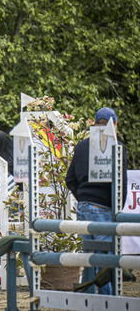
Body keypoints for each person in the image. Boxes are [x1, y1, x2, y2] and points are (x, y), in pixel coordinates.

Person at [65, 107, 128, 295]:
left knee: (89, 257)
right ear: (115, 124)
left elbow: (70, 179)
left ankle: (88, 299)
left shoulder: (82, 146)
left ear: (94, 123)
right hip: (104, 207)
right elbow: (122, 183)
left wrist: (84, 198)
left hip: (83, 206)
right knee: (105, 260)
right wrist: (117, 209)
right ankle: (108, 301)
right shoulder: (117, 146)